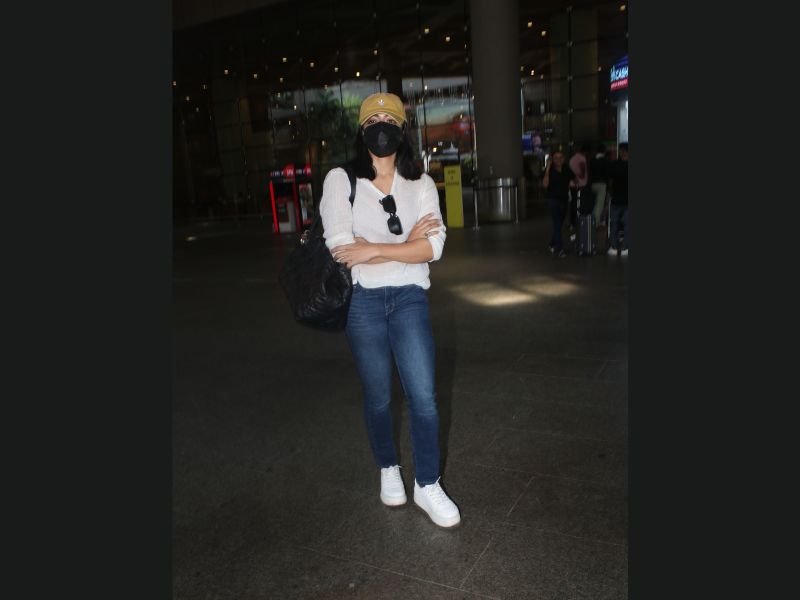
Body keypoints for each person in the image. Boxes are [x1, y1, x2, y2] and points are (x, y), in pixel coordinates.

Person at [319, 92, 460, 528]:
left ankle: (428, 484)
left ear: (402, 129)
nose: (381, 125)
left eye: (389, 118)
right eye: (372, 119)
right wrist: (405, 244)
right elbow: (342, 249)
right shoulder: (341, 180)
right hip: (362, 302)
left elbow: (434, 247)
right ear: (361, 129)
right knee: (379, 396)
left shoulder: (421, 184)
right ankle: (388, 467)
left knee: (424, 397)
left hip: (409, 299)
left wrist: (374, 250)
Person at [543, 149, 575, 258]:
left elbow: (573, 180)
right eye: (556, 158)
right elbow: (545, 184)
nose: (558, 160)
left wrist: (573, 183)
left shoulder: (567, 169)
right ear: (552, 159)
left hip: (564, 199)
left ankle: (552, 243)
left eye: (561, 157)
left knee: (559, 224)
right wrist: (548, 168)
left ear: (564, 159)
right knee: (556, 222)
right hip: (553, 200)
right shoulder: (550, 170)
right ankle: (560, 248)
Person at [607, 142, 629, 256]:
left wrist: (611, 193)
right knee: (627, 225)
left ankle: (614, 247)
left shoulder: (614, 164)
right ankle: (626, 247)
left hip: (616, 199)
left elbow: (610, 182)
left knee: (614, 224)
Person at [567, 144, 591, 239]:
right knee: (579, 205)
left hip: (572, 185)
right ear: (586, 152)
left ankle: (572, 223)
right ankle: (578, 222)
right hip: (580, 185)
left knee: (573, 204)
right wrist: (582, 173)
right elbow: (582, 173)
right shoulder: (582, 159)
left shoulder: (572, 158)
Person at [589, 144, 610, 227]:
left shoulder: (592, 160)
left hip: (592, 184)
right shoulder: (605, 160)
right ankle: (595, 222)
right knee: (599, 205)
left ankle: (593, 221)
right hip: (602, 184)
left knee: (594, 203)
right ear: (604, 151)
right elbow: (607, 174)